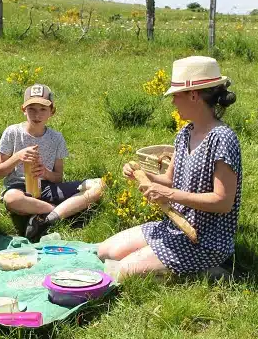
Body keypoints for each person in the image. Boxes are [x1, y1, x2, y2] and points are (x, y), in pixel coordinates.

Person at [97, 56, 242, 279]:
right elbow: (170, 180)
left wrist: (168, 194)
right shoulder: (184, 133)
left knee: (123, 272)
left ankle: (209, 271)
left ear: (193, 95)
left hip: (206, 240)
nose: (173, 102)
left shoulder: (222, 139)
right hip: (174, 225)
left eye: (176, 95)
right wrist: (144, 176)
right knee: (106, 252)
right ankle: (172, 265)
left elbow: (222, 202)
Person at [0, 83, 104, 242]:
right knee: (11, 199)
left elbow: (58, 178)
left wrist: (45, 173)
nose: (36, 115)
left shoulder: (56, 138)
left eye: (43, 109)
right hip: (19, 189)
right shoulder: (13, 132)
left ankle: (45, 220)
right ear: (23, 110)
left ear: (52, 112)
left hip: (47, 188)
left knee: (99, 185)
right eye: (31, 109)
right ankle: (60, 213)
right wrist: (17, 156)